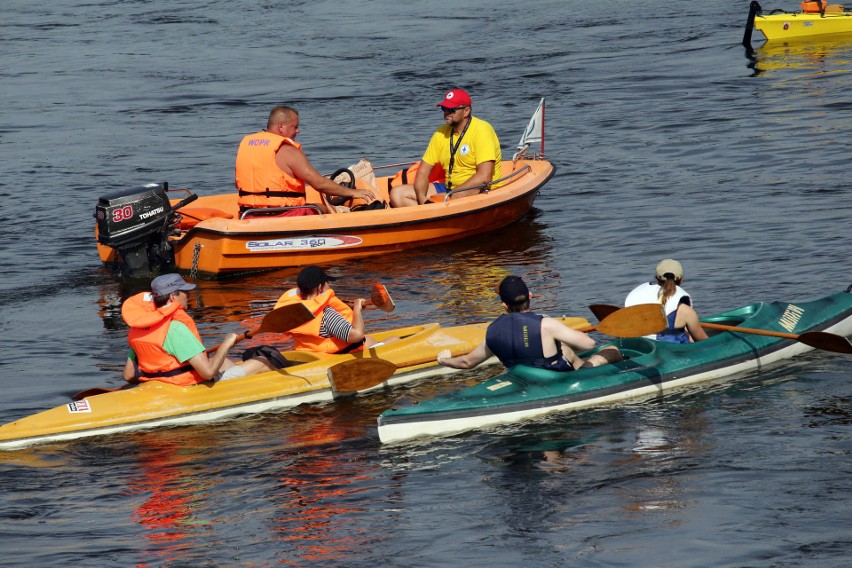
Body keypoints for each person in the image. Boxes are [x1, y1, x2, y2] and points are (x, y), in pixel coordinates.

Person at [437, 276, 622, 371]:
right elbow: (590, 344)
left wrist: (443, 359)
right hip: (555, 378)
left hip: (524, 376)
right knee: (612, 349)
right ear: (530, 296)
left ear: (504, 304)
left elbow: (467, 362)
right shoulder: (547, 324)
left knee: (564, 348)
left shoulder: (493, 331)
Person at [121, 274, 276, 386]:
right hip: (185, 387)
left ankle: (240, 385)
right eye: (184, 291)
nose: (189, 295)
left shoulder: (138, 328)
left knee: (225, 363)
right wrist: (226, 344)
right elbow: (208, 373)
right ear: (173, 297)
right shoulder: (175, 328)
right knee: (262, 362)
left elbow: (129, 375)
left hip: (160, 383)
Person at [235, 106, 376, 215]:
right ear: (281, 127)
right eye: (295, 127)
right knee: (322, 208)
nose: (298, 131)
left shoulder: (246, 145)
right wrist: (353, 193)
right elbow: (319, 184)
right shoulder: (287, 150)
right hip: (281, 214)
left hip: (248, 213)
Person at [389, 88, 502, 207]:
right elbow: (423, 172)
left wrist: (453, 195)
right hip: (449, 188)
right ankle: (433, 216)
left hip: (480, 189)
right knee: (397, 194)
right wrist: (423, 200)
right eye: (444, 109)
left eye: (451, 109)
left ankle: (438, 213)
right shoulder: (440, 133)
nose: (446, 113)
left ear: (466, 111)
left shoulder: (482, 130)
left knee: (449, 201)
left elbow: (484, 176)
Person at [274, 266, 385, 354]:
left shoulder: (294, 312)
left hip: (312, 354)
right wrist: (357, 310)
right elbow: (357, 336)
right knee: (395, 339)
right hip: (340, 356)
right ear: (320, 288)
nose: (329, 287)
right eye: (327, 283)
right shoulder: (327, 315)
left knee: (370, 339)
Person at [624, 259, 709, 343]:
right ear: (681, 280)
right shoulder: (685, 311)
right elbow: (705, 343)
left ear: (656, 279)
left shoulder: (638, 297)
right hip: (669, 351)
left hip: (639, 347)